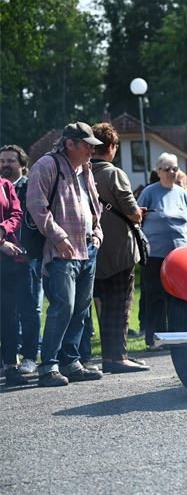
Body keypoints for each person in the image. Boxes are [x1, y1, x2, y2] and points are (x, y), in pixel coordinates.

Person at [26, 121, 105, 386]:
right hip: (61, 252)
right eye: (87, 145)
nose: (92, 151)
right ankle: (48, 366)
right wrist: (58, 237)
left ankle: (70, 362)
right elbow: (37, 207)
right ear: (69, 143)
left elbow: (94, 204)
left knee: (81, 309)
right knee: (64, 307)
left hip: (87, 248)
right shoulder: (47, 165)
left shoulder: (86, 168)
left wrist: (97, 232)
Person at [90, 123, 149, 373]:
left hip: (93, 250)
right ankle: (118, 358)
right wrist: (139, 213)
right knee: (120, 306)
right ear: (112, 147)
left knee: (101, 307)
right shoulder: (113, 173)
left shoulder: (81, 172)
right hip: (119, 251)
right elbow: (133, 213)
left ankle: (107, 357)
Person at [137, 153, 187, 346]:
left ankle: (179, 337)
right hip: (155, 254)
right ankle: (154, 338)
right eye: (166, 169)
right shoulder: (149, 192)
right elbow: (137, 218)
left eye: (174, 168)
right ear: (158, 171)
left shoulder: (182, 193)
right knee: (155, 296)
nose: (171, 173)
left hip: (179, 255)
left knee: (179, 297)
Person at [0, 144, 41, 376]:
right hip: (3, 258)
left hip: (27, 256)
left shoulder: (30, 187)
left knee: (30, 308)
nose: (5, 164)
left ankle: (29, 356)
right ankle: (8, 358)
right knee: (6, 311)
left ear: (23, 166)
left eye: (10, 161)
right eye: (2, 160)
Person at [0, 173, 25, 386]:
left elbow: (17, 214)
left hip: (7, 261)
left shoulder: (5, 185)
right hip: (3, 248)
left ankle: (10, 365)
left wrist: (3, 229)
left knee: (9, 315)